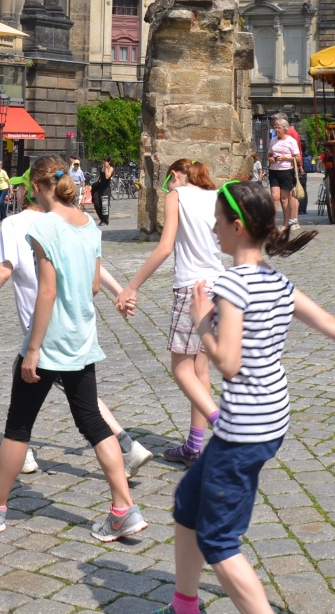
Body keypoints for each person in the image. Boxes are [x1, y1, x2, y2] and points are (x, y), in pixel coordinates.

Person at [158, 180, 335, 614]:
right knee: (189, 502)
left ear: (237, 227)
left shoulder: (232, 284)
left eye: (217, 222)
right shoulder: (276, 281)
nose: (213, 230)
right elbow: (332, 325)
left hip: (244, 429)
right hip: (271, 420)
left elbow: (229, 364)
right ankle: (184, 605)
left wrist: (202, 321)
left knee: (219, 540)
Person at [0, 156, 148, 542]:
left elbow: (46, 291)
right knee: (94, 423)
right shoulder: (88, 224)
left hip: (49, 341)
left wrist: (33, 349)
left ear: (39, 188)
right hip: (81, 337)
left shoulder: (43, 226)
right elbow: (94, 285)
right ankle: (124, 508)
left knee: (18, 426)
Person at [115, 159, 223, 465]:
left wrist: (132, 286)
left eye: (168, 182)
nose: (167, 188)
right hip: (218, 286)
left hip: (191, 288)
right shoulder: (215, 196)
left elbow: (165, 247)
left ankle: (222, 425)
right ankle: (193, 446)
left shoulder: (176, 196)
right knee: (201, 371)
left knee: (181, 369)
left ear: (175, 175)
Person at [266, 114, 301, 230]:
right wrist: (271, 158)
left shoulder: (291, 141)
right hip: (274, 171)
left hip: (286, 171)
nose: (276, 129)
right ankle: (271, 224)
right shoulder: (273, 140)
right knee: (274, 197)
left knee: (284, 199)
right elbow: (269, 154)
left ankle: (286, 224)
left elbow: (298, 158)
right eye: (275, 127)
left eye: (279, 128)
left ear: (285, 129)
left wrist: (286, 158)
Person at [92, 158, 114, 226]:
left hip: (106, 188)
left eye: (105, 162)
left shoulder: (111, 168)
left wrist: (106, 168)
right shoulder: (102, 167)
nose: (104, 163)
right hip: (99, 187)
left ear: (109, 162)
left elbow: (107, 177)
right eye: (103, 162)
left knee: (104, 204)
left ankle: (105, 220)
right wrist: (95, 182)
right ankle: (101, 218)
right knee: (96, 203)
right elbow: (100, 176)